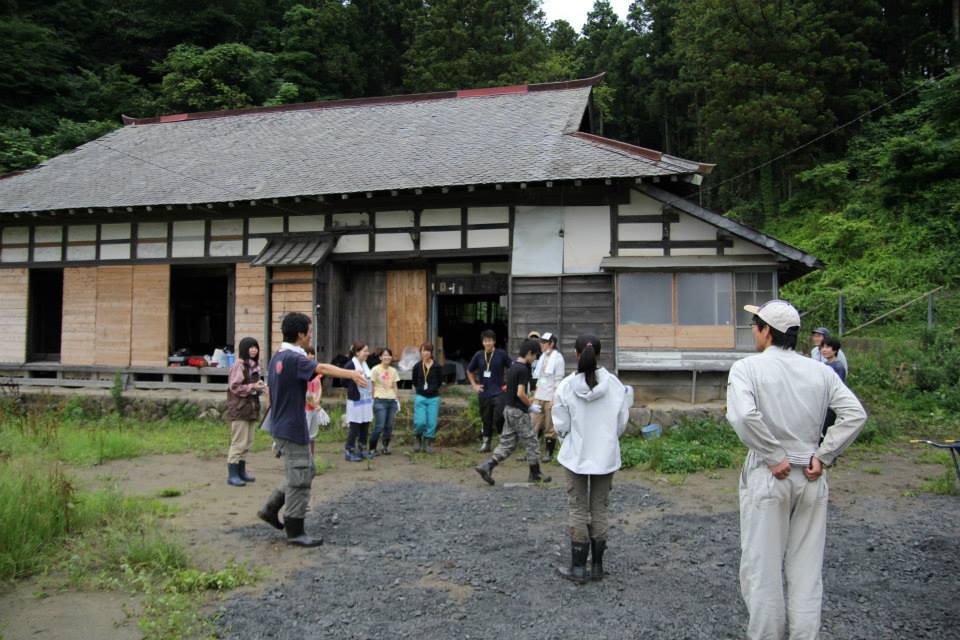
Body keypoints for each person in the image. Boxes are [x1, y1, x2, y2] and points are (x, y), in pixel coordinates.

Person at [727, 300, 866, 638]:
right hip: (811, 475)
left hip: (769, 474)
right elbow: (855, 414)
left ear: (765, 332)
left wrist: (774, 455)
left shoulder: (747, 368)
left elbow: (744, 416)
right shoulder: (819, 370)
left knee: (763, 570)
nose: (752, 330)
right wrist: (825, 453)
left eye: (754, 324)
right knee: (806, 571)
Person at [256, 312, 367, 547]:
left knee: (307, 469)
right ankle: (295, 530)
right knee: (300, 477)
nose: (310, 335)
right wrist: (352, 374)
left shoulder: (278, 355)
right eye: (309, 330)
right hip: (291, 427)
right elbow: (323, 368)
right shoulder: (293, 359)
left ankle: (270, 508)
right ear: (300, 334)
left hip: (285, 424)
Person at [552, 335, 632, 584]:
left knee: (577, 508)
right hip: (605, 457)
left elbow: (561, 425)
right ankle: (597, 566)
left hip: (575, 455)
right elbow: (621, 423)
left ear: (576, 354)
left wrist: (568, 439)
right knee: (600, 508)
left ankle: (578, 569)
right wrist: (607, 439)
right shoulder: (615, 385)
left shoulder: (566, 386)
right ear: (599, 353)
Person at [474, 339, 551, 486]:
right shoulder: (522, 369)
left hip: (508, 409)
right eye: (535, 356)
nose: (535, 359)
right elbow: (521, 393)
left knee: (507, 443)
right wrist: (530, 407)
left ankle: (487, 466)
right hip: (518, 411)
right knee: (532, 441)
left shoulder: (514, 366)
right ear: (529, 353)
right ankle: (535, 474)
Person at [226, 337, 265, 487]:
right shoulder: (239, 365)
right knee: (238, 442)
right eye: (251, 347)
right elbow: (234, 387)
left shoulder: (254, 366)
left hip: (251, 407)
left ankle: (241, 472)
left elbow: (252, 385)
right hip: (240, 408)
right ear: (244, 349)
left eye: (255, 347)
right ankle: (233, 474)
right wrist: (253, 386)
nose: (254, 350)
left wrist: (259, 387)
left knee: (248, 442)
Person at [466, 330, 512, 453]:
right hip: (484, 392)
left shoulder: (501, 354)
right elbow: (469, 370)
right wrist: (474, 385)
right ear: (482, 342)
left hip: (499, 391)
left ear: (494, 341)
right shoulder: (478, 355)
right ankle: (486, 443)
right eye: (485, 340)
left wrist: (508, 384)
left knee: (499, 416)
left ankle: (503, 442)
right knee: (486, 418)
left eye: (490, 340)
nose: (488, 343)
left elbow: (512, 368)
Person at [532, 332, 565, 463]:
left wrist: (554, 399)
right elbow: (540, 377)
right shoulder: (542, 357)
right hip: (540, 394)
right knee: (534, 423)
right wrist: (535, 392)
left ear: (551, 344)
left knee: (549, 426)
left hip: (550, 396)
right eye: (541, 342)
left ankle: (548, 452)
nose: (541, 344)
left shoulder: (558, 358)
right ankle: (532, 450)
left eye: (544, 342)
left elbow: (558, 380)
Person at [344, 341, 374, 461]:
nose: (367, 353)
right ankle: (349, 450)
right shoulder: (350, 364)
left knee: (365, 425)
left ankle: (362, 449)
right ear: (357, 352)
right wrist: (353, 386)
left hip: (366, 400)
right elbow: (344, 381)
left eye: (367, 351)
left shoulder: (365, 364)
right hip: (355, 401)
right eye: (365, 351)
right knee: (355, 426)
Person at [411, 342, 443, 453]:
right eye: (423, 350)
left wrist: (432, 389)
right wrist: (421, 389)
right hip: (420, 397)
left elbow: (440, 381)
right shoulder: (417, 366)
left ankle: (428, 441)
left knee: (432, 422)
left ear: (431, 352)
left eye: (428, 351)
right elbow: (415, 381)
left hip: (434, 398)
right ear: (420, 352)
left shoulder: (437, 366)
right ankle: (418, 438)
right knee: (420, 422)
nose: (425, 353)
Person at [370, 347, 401, 455]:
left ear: (391, 357)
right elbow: (372, 386)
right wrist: (372, 399)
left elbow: (395, 386)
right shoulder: (375, 369)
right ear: (380, 357)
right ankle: (372, 448)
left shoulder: (393, 370)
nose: (387, 357)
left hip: (391, 401)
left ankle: (385, 447)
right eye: (384, 355)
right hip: (379, 400)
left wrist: (397, 400)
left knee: (389, 426)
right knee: (379, 425)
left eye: (389, 355)